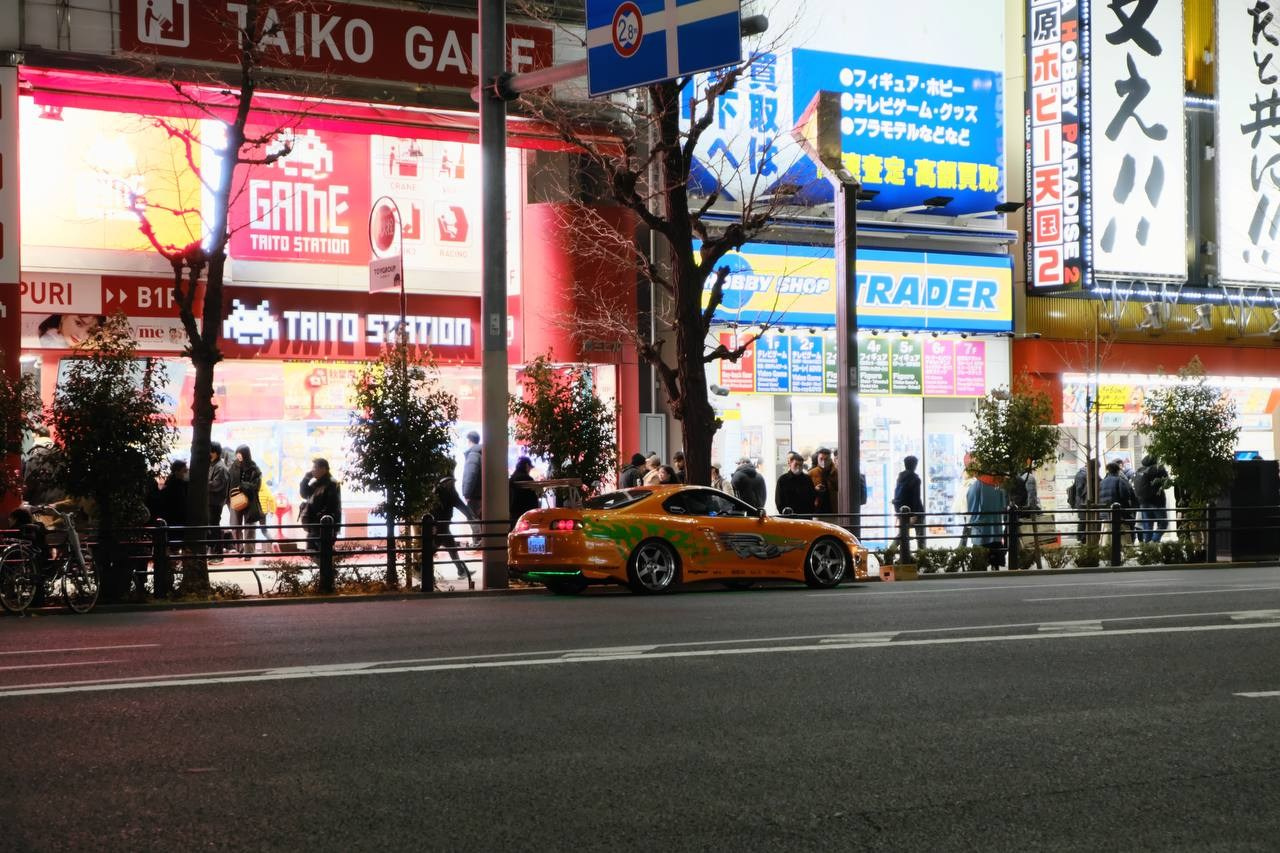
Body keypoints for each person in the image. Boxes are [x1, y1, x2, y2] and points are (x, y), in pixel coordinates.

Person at [432, 465, 477, 582]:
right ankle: (420, 568)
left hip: (440, 524)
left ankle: (461, 570)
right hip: (441, 525)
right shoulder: (449, 492)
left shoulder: (438, 490)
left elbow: (459, 505)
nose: (453, 484)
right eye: (451, 482)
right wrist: (471, 516)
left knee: (450, 547)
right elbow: (460, 505)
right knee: (434, 548)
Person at [226, 445, 264, 555]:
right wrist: (228, 498)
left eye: (240, 453)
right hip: (235, 499)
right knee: (235, 526)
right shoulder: (233, 466)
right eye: (237, 453)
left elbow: (256, 486)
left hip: (250, 501)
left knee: (250, 527)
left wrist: (243, 486)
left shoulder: (254, 468)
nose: (238, 456)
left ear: (246, 454)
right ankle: (239, 549)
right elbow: (229, 482)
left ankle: (249, 552)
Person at [300, 458, 343, 553]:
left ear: (323, 469)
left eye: (315, 467)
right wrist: (306, 479)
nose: (312, 470)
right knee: (312, 551)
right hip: (314, 524)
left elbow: (331, 505)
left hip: (324, 525)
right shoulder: (316, 483)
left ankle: (327, 564)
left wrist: (319, 517)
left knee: (323, 552)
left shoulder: (332, 483)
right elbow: (304, 494)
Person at [967, 473, 1008, 569]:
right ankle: (995, 568)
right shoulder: (998, 484)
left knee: (979, 565)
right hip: (996, 530)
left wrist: (972, 522)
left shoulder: (977, 485)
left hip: (981, 531)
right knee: (995, 560)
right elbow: (1003, 506)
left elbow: (972, 507)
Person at [1099, 460, 1137, 547]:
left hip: (1105, 512)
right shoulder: (1120, 481)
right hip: (1119, 513)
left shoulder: (1102, 482)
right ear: (1118, 470)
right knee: (1124, 535)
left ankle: (1106, 550)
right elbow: (1125, 496)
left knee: (1107, 534)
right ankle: (1125, 550)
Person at [1133, 454, 1170, 543]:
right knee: (1163, 524)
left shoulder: (1139, 470)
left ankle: (1147, 547)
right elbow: (1167, 484)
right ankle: (1153, 542)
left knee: (1148, 526)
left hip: (1143, 502)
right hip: (1157, 502)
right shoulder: (1158, 469)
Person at [893, 455, 927, 551]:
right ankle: (922, 554)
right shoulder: (915, 479)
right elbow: (916, 497)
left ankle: (890, 550)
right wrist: (915, 514)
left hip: (902, 511)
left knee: (903, 533)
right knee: (920, 535)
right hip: (915, 512)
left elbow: (897, 494)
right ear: (915, 465)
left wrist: (898, 512)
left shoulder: (900, 478)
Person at [156, 460, 189, 546]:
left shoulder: (176, 483)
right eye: (184, 471)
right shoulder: (174, 485)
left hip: (176, 518)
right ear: (177, 471)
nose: (186, 473)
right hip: (175, 518)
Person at [207, 442, 229, 560]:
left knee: (214, 526)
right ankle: (214, 552)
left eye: (210, 451)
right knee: (212, 526)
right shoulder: (213, 464)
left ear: (215, 452)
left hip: (215, 502)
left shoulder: (220, 467)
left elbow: (216, 485)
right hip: (211, 501)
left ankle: (218, 553)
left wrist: (202, 483)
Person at [509, 456, 541, 529]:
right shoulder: (527, 479)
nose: (529, 470)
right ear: (526, 465)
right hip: (526, 512)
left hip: (514, 512)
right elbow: (533, 497)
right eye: (530, 467)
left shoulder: (512, 478)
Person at [37, 313, 104, 348]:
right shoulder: (51, 343)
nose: (81, 336)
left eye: (89, 331)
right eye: (78, 323)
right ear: (64, 316)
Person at [810, 447, 838, 514]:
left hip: (834, 508)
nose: (823, 461)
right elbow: (807, 492)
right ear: (817, 459)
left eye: (826, 459)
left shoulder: (837, 473)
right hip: (817, 509)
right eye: (821, 459)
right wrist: (815, 489)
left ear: (830, 459)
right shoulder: (811, 473)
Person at [461, 431, 482, 519]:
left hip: (474, 497)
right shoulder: (482, 453)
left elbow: (471, 474)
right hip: (481, 495)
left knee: (474, 520)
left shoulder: (473, 455)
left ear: (469, 440)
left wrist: (467, 494)